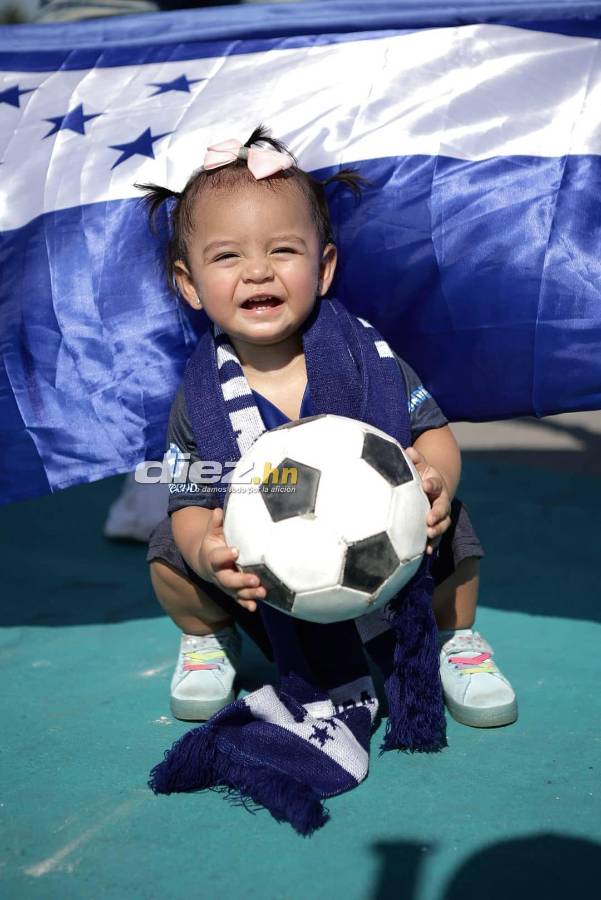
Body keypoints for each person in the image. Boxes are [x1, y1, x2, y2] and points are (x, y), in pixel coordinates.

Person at [143, 126, 517, 730]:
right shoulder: (201, 395)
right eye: (227, 255)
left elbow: (434, 433)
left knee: (454, 533)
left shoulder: (369, 359)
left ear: (323, 268)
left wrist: (437, 481)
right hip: (264, 587)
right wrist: (206, 557)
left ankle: (454, 640)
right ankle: (210, 637)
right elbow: (188, 499)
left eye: (283, 251)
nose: (258, 271)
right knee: (168, 554)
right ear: (189, 284)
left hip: (386, 554)